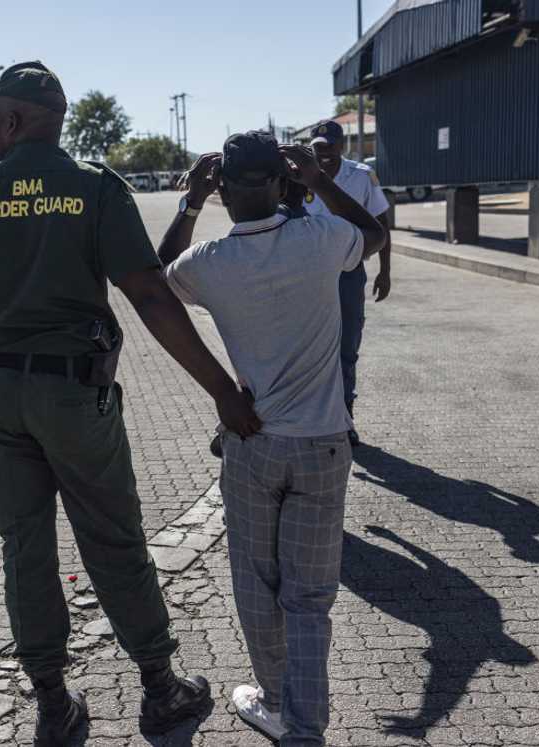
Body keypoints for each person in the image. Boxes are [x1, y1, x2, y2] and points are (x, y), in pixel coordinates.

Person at [0, 61, 260, 746]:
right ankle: (161, 691)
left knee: (25, 548)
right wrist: (220, 387)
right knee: (113, 540)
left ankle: (52, 701)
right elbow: (149, 294)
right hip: (74, 393)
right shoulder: (92, 189)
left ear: (16, 121)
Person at [157, 131, 386, 746]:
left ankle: (275, 701)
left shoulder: (209, 262)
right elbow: (376, 234)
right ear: (284, 183)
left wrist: (191, 202)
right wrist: (319, 181)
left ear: (225, 192)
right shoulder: (320, 240)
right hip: (324, 445)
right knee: (309, 598)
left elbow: (157, 278)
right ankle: (305, 729)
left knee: (258, 583)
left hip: (252, 442)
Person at [305, 120, 392, 446]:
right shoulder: (298, 176)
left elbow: (381, 223)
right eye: (318, 147)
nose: (324, 153)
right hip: (308, 274)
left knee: (347, 348)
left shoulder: (360, 176)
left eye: (330, 146)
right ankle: (314, 418)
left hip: (349, 273)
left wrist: (385, 271)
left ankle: (345, 417)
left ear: (342, 146)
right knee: (310, 348)